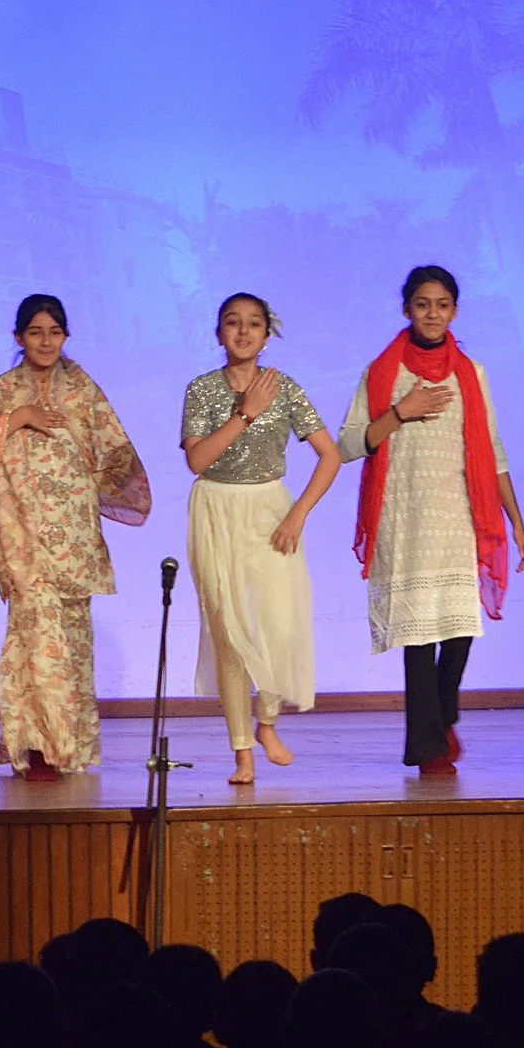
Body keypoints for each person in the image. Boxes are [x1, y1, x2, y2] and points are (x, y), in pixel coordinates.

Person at [337, 266, 524, 776]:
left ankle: (443, 714)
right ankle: (427, 749)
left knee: (460, 628)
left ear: (455, 311)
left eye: (442, 304)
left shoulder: (473, 373)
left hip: (460, 519)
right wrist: (401, 411)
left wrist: (516, 522)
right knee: (420, 637)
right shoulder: (382, 372)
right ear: (406, 309)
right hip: (405, 521)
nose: (432, 313)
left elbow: (493, 453)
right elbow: (349, 444)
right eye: (422, 304)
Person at [0, 295, 151, 782]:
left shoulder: (83, 391)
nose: (46, 341)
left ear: (66, 336)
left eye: (55, 331)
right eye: (35, 332)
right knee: (35, 634)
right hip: (19, 530)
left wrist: (89, 483)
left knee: (73, 641)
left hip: (74, 534)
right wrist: (14, 420)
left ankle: (67, 747)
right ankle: (38, 747)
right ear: (18, 337)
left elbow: (116, 450)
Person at [180, 293, 343, 784]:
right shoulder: (202, 390)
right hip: (216, 508)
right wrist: (245, 413)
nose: (244, 332)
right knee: (229, 634)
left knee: (278, 623)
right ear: (219, 333)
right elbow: (196, 460)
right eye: (233, 323)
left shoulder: (285, 387)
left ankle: (267, 722)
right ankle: (241, 752)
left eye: (254, 324)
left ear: (267, 335)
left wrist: (297, 515)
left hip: (271, 509)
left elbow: (329, 456)